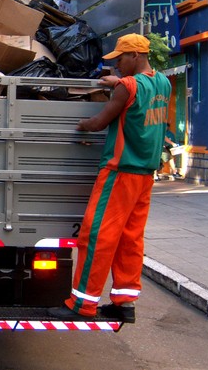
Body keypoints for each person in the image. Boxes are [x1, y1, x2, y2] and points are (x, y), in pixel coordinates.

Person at [48, 33, 171, 323]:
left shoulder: (126, 87)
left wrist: (78, 125)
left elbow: (99, 122)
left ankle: (82, 305)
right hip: (144, 176)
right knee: (130, 239)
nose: (116, 65)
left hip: (120, 173)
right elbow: (139, 92)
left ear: (136, 56)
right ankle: (124, 302)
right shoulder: (162, 83)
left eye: (120, 59)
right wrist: (118, 83)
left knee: (96, 237)